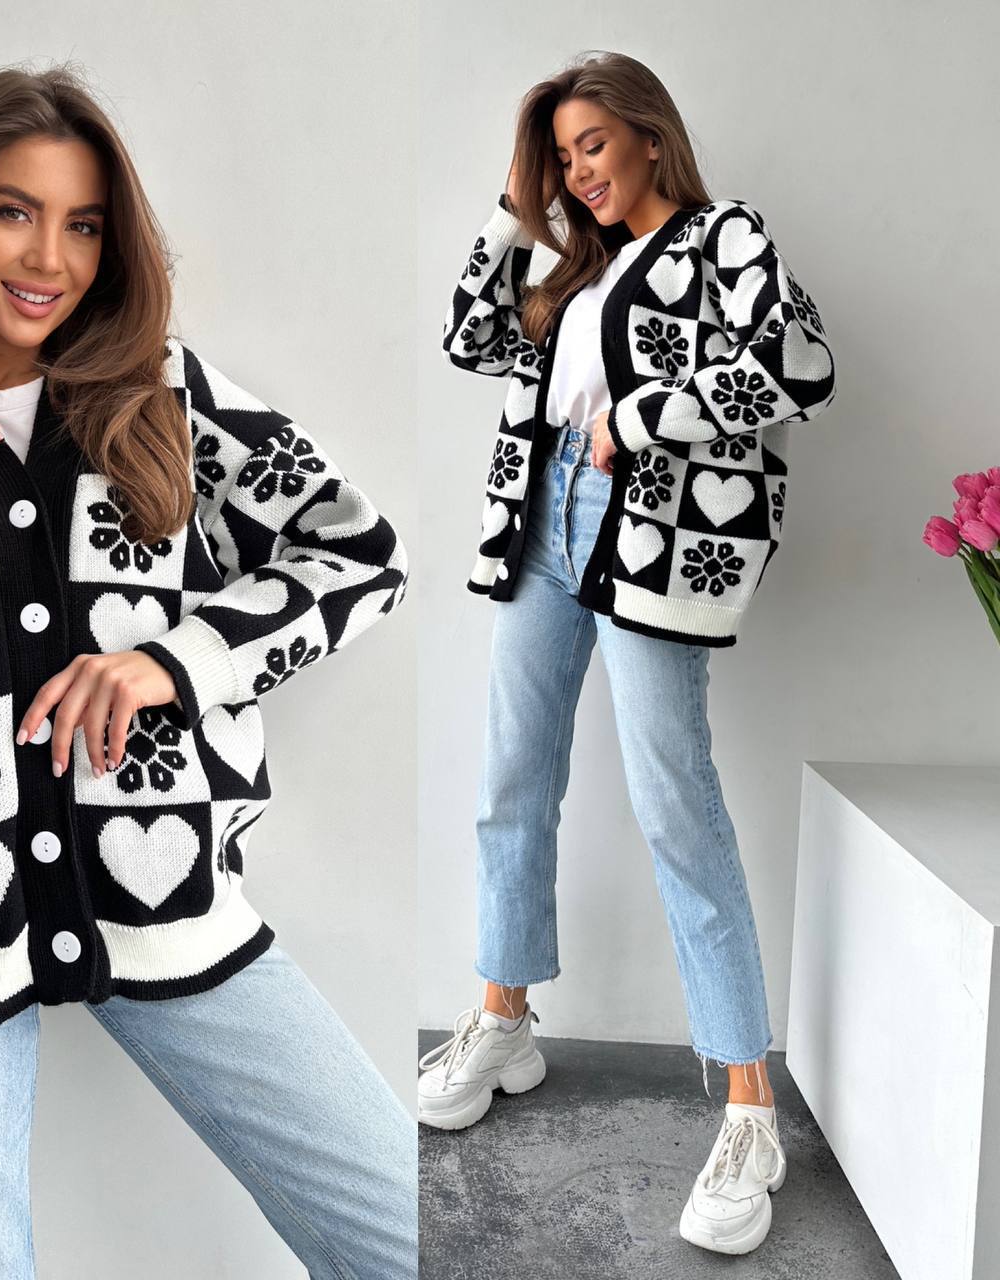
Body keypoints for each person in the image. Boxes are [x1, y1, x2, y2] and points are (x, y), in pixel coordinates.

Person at [0, 62, 415, 1279]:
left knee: (399, 1231)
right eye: (13, 209)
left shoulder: (166, 398)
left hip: (166, 894)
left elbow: (361, 556)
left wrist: (175, 658)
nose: (50, 254)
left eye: (83, 222)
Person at [418, 50, 836, 1258]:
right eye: (559, 155)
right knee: (511, 782)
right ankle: (503, 1014)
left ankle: (747, 1103)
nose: (576, 171)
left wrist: (642, 415)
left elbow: (798, 366)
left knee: (675, 806)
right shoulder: (572, 267)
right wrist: (516, 209)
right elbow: (464, 338)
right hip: (539, 525)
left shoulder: (724, 240)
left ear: (651, 135)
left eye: (590, 144)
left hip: (649, 530)